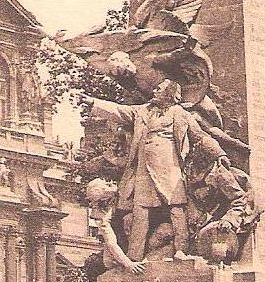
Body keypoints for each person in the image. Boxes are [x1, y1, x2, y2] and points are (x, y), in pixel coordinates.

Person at [80, 79, 224, 263]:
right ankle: (135, 257)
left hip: (170, 170)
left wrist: (219, 154)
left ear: (170, 94)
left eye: (159, 88)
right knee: (140, 213)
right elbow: (119, 111)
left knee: (177, 211)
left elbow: (200, 137)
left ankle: (181, 250)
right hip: (143, 172)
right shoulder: (142, 111)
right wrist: (93, 103)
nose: (154, 90)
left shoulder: (180, 113)